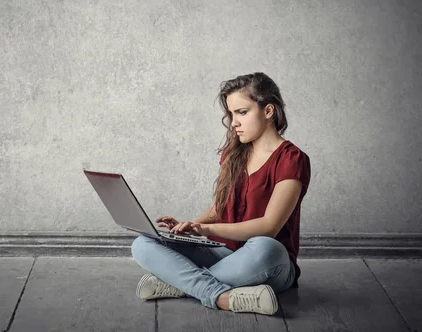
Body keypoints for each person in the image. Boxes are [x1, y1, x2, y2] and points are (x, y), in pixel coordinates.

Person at [130, 72, 311, 315]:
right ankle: (222, 297)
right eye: (231, 114)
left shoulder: (292, 159)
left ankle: (180, 284)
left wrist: (207, 230)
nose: (234, 122)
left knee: (266, 247)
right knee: (143, 243)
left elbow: (269, 227)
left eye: (242, 112)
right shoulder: (234, 154)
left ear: (268, 111)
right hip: (224, 254)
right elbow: (219, 209)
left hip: (268, 263)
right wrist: (192, 225)